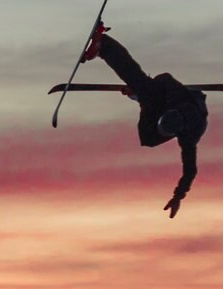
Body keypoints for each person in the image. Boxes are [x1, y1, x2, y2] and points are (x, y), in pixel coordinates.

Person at [80, 24, 208, 217]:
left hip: (165, 106)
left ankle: (141, 95)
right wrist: (143, 93)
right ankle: (104, 45)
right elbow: (165, 78)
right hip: (163, 93)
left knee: (148, 139)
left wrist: (178, 196)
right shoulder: (175, 95)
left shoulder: (189, 137)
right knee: (140, 83)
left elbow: (190, 170)